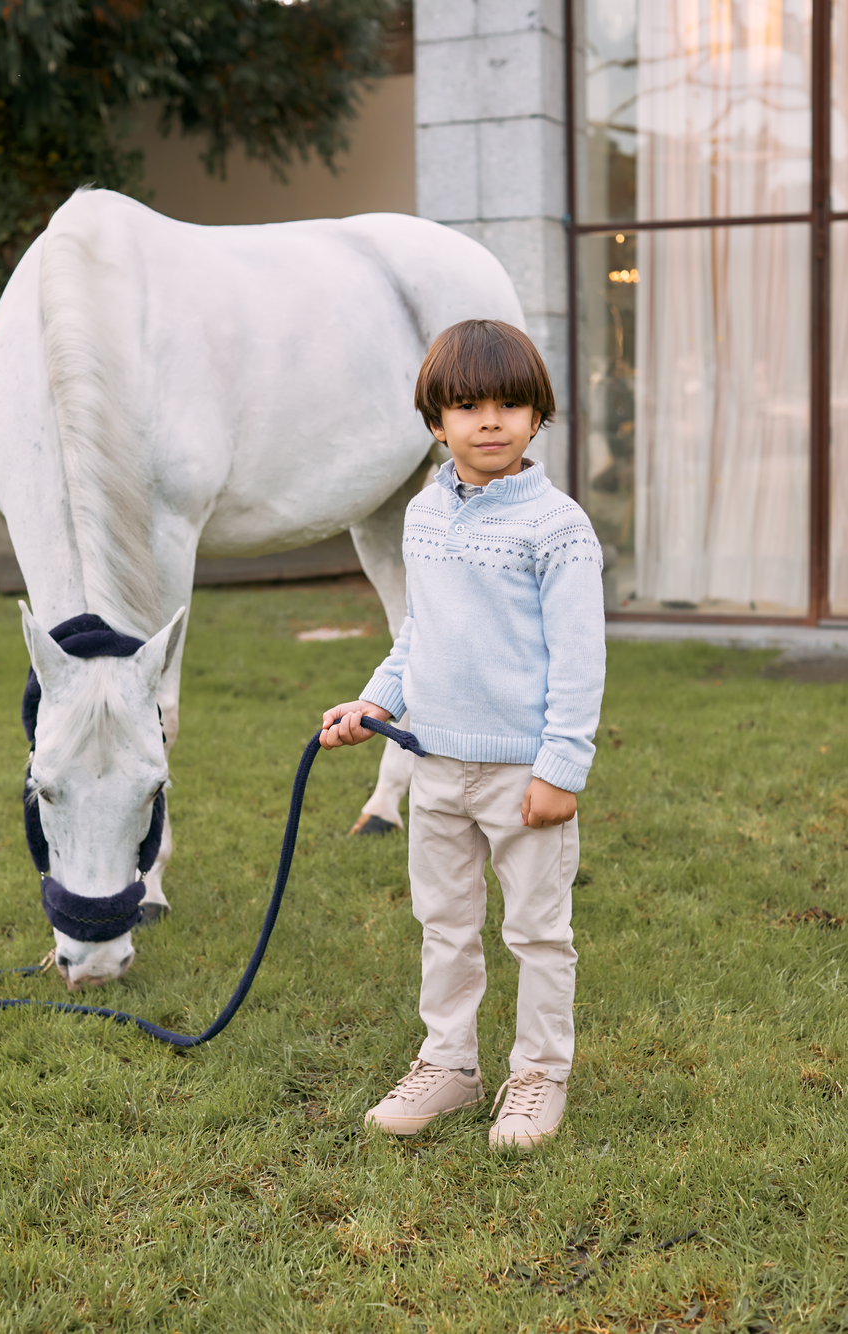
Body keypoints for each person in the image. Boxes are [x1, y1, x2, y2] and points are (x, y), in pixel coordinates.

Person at [320, 319, 606, 1150]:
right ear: (435, 423)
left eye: (509, 404)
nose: (489, 421)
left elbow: (579, 662)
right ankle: (449, 1063)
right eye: (467, 406)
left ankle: (538, 1076)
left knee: (536, 933)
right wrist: (373, 703)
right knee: (444, 925)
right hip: (435, 768)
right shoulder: (422, 514)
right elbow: (417, 634)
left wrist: (560, 769)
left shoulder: (556, 528)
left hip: (523, 779)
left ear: (536, 416)